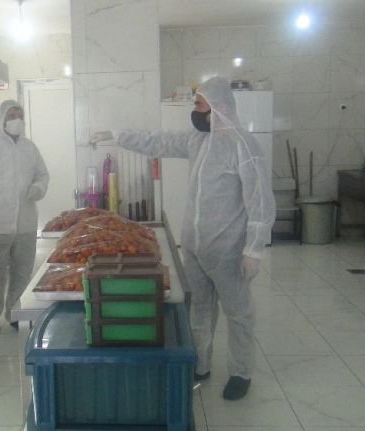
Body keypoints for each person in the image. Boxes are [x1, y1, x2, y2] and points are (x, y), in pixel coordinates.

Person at [90, 77, 275, 400]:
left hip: (229, 250)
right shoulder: (197, 140)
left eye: (199, 104)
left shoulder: (243, 146)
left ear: (219, 107)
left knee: (238, 312)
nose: (195, 110)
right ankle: (200, 364)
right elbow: (158, 141)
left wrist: (254, 248)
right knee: (199, 309)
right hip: (195, 246)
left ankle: (241, 372)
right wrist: (115, 135)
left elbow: (259, 200)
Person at [0, 100, 49, 337]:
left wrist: (38, 187)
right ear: (2, 119)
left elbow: (43, 175)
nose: (17, 120)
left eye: (20, 115)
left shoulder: (30, 148)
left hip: (25, 225)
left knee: (22, 272)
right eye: (12, 116)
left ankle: (15, 313)